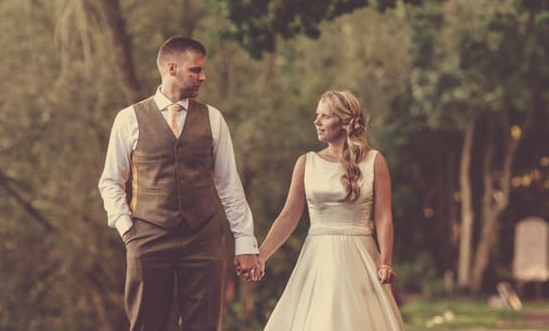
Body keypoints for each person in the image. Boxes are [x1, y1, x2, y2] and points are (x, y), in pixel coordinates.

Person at [98, 36, 261, 331]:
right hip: (147, 235)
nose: (203, 77)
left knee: (205, 325)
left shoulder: (213, 118)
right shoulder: (129, 119)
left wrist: (245, 242)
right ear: (171, 68)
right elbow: (110, 181)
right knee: (147, 324)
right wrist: (127, 229)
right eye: (195, 70)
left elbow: (229, 184)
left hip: (203, 236)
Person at [255, 90, 405, 331]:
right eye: (317, 116)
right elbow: (288, 216)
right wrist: (261, 255)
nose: (317, 122)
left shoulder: (375, 161)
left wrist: (385, 262)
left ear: (345, 122)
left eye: (324, 116)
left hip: (361, 257)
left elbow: (383, 216)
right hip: (317, 257)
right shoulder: (306, 162)